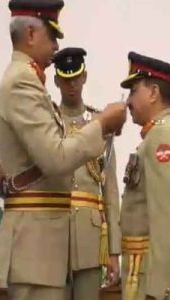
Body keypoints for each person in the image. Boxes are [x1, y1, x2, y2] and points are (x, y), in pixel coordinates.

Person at [0, 1, 127, 300]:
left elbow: (109, 191)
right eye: (51, 35)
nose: (56, 45)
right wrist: (103, 123)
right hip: (36, 247)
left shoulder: (26, 80)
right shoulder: (21, 82)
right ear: (30, 33)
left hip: (49, 246)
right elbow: (55, 157)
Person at [119, 52, 170, 300]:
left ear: (153, 93)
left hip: (153, 280)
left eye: (133, 91)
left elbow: (168, 220)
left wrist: (156, 290)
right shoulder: (154, 137)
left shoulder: (163, 138)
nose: (128, 102)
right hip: (142, 270)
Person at [52, 47, 121, 300]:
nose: (72, 85)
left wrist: (114, 251)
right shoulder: (46, 122)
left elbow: (111, 193)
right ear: (57, 80)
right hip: (53, 232)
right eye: (66, 79)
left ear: (85, 77)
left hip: (91, 237)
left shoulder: (101, 125)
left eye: (76, 78)